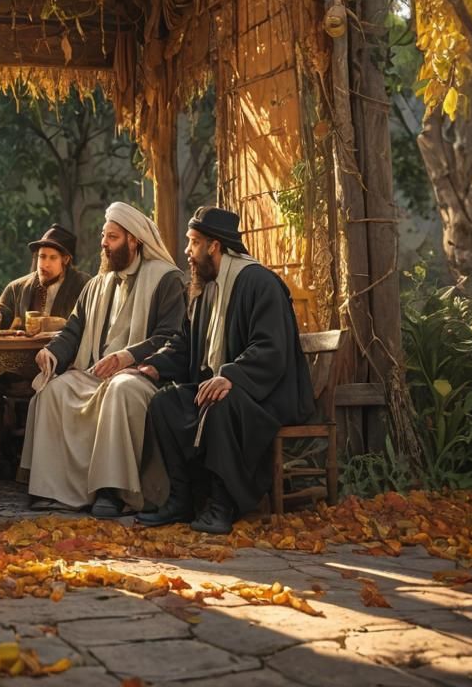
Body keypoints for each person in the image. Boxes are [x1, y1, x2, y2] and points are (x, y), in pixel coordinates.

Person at [135, 206, 314, 534]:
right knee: (165, 403)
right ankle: (182, 499)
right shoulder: (205, 289)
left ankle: (222, 505)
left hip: (267, 396)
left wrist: (230, 376)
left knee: (220, 403)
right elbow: (185, 343)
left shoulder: (260, 283)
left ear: (214, 246)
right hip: (224, 390)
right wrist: (154, 366)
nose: (187, 251)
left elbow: (271, 349)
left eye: (193, 242)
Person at [20, 202, 187, 517]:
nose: (104, 244)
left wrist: (128, 356)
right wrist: (52, 352)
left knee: (120, 390)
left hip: (144, 374)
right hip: (96, 373)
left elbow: (172, 336)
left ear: (133, 240)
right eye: (103, 236)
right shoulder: (97, 285)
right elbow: (73, 330)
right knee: (53, 391)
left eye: (112, 237)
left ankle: (112, 491)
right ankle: (54, 490)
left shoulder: (167, 280)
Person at [0, 224, 90, 330]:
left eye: (53, 258)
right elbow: (0, 316)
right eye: (42, 256)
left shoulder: (84, 285)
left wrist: (61, 324)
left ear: (65, 260)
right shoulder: (16, 288)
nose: (45, 264)